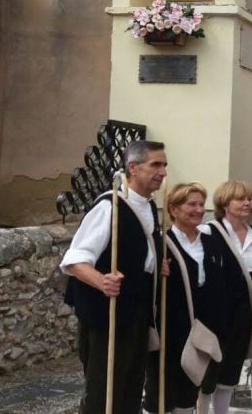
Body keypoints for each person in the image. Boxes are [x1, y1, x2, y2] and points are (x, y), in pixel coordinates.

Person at [62, 141, 167, 414]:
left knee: (131, 389)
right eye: (156, 164)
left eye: (164, 165)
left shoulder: (149, 208)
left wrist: (155, 265)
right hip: (107, 316)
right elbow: (74, 260)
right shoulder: (110, 207)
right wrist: (102, 281)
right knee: (104, 393)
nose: (163, 171)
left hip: (136, 312)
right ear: (133, 167)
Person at [144, 182, 226, 414]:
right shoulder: (161, 245)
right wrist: (157, 274)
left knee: (190, 388)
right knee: (161, 389)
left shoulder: (211, 243)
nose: (199, 210)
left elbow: (218, 287)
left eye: (201, 204)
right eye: (192, 204)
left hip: (201, 329)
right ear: (173, 209)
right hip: (169, 329)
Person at [198, 182, 252, 414]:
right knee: (208, 373)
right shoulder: (209, 232)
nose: (247, 203)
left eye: (248, 198)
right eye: (240, 199)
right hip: (216, 313)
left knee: (229, 371)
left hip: (243, 312)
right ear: (225, 204)